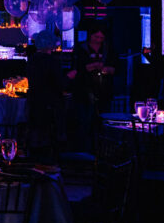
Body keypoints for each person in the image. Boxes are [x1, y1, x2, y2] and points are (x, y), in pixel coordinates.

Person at [67, 22, 116, 150]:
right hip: (84, 91)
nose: (98, 41)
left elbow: (117, 68)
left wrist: (107, 69)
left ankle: (102, 149)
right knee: (84, 122)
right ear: (90, 36)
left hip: (104, 90)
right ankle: (84, 150)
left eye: (101, 38)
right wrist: (90, 67)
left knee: (103, 122)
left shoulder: (108, 49)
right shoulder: (80, 48)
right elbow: (75, 70)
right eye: (96, 38)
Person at [26, 30, 66, 163]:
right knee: (50, 135)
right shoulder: (52, 61)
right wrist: (70, 78)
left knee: (37, 132)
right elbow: (59, 83)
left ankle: (36, 162)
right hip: (50, 103)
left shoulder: (31, 59)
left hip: (35, 102)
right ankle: (49, 164)